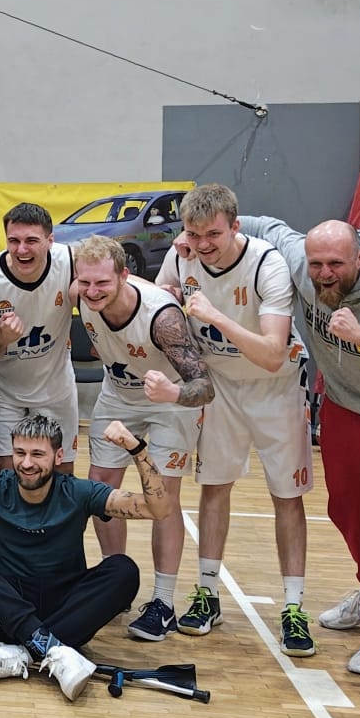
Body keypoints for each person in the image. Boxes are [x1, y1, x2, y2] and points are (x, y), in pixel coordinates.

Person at [242, 212, 360, 677]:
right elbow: (265, 226)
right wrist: (196, 232)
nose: (324, 274)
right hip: (343, 408)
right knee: (345, 510)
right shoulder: (303, 262)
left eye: (336, 264)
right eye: (317, 264)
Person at [0, 411, 159, 703]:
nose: (26, 463)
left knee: (124, 569)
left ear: (59, 456)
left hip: (66, 607)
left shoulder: (78, 492)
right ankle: (52, 649)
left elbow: (157, 509)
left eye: (37, 454)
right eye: (19, 453)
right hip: (5, 611)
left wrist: (137, 448)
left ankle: (23, 652)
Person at [155, 186, 315, 654]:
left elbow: (271, 353)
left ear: (235, 227)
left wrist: (214, 316)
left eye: (213, 234)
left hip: (275, 386)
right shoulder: (180, 255)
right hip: (221, 384)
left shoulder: (267, 264)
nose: (203, 244)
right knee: (214, 486)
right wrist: (168, 290)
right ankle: (207, 593)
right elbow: (160, 303)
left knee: (287, 496)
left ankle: (293, 608)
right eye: (194, 234)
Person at [72, 236, 214, 640]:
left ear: (124, 275)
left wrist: (172, 394)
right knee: (100, 487)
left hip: (171, 399)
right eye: (85, 283)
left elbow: (204, 387)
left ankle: (163, 603)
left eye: (102, 283)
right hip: (119, 395)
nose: (92, 291)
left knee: (162, 497)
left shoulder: (162, 318)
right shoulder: (82, 292)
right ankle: (115, 584)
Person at [0, 203, 81, 476]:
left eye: (31, 240)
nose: (22, 249)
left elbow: (116, 278)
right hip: (2, 389)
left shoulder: (71, 260)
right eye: (14, 241)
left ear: (50, 240)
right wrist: (3, 338)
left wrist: (160, 290)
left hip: (54, 385)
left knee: (61, 470)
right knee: (5, 473)